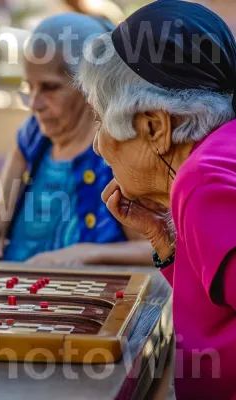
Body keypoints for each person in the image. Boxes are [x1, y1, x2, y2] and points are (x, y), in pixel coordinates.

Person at [77, 1, 236, 397]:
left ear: (155, 126)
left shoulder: (203, 182)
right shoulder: (216, 157)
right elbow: (216, 303)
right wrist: (166, 241)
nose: (97, 147)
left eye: (100, 120)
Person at [0, 13, 151, 266]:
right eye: (30, 88)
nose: (35, 104)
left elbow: (157, 250)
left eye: (50, 88)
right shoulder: (33, 136)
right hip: (18, 295)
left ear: (90, 84)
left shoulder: (119, 150)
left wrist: (85, 253)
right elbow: (0, 209)